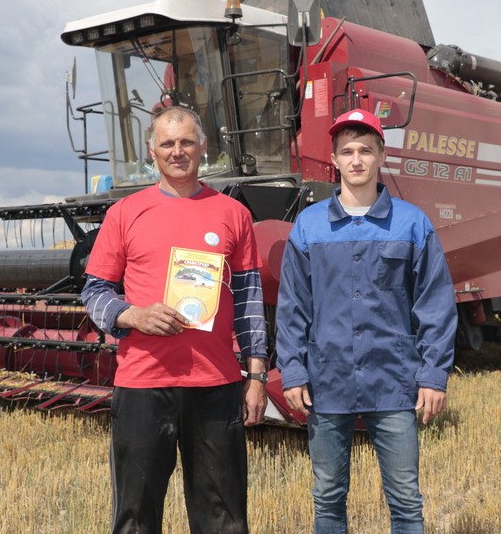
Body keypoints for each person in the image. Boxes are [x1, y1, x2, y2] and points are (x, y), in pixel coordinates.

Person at [81, 105, 268, 534]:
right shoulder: (125, 212)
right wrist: (132, 314)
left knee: (223, 519)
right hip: (143, 384)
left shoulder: (233, 214)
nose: (177, 151)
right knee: (135, 517)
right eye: (167, 143)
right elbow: (94, 291)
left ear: (203, 147)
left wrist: (256, 375)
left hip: (215, 384)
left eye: (186, 142)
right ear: (152, 151)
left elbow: (249, 302)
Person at [276, 109, 457, 533]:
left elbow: (435, 303)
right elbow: (293, 306)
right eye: (347, 152)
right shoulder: (309, 226)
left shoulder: (412, 223)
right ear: (334, 160)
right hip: (327, 383)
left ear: (381, 156)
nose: (356, 160)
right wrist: (293, 370)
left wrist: (433, 375)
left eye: (365, 151)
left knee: (406, 499)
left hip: (393, 381)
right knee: (328, 498)